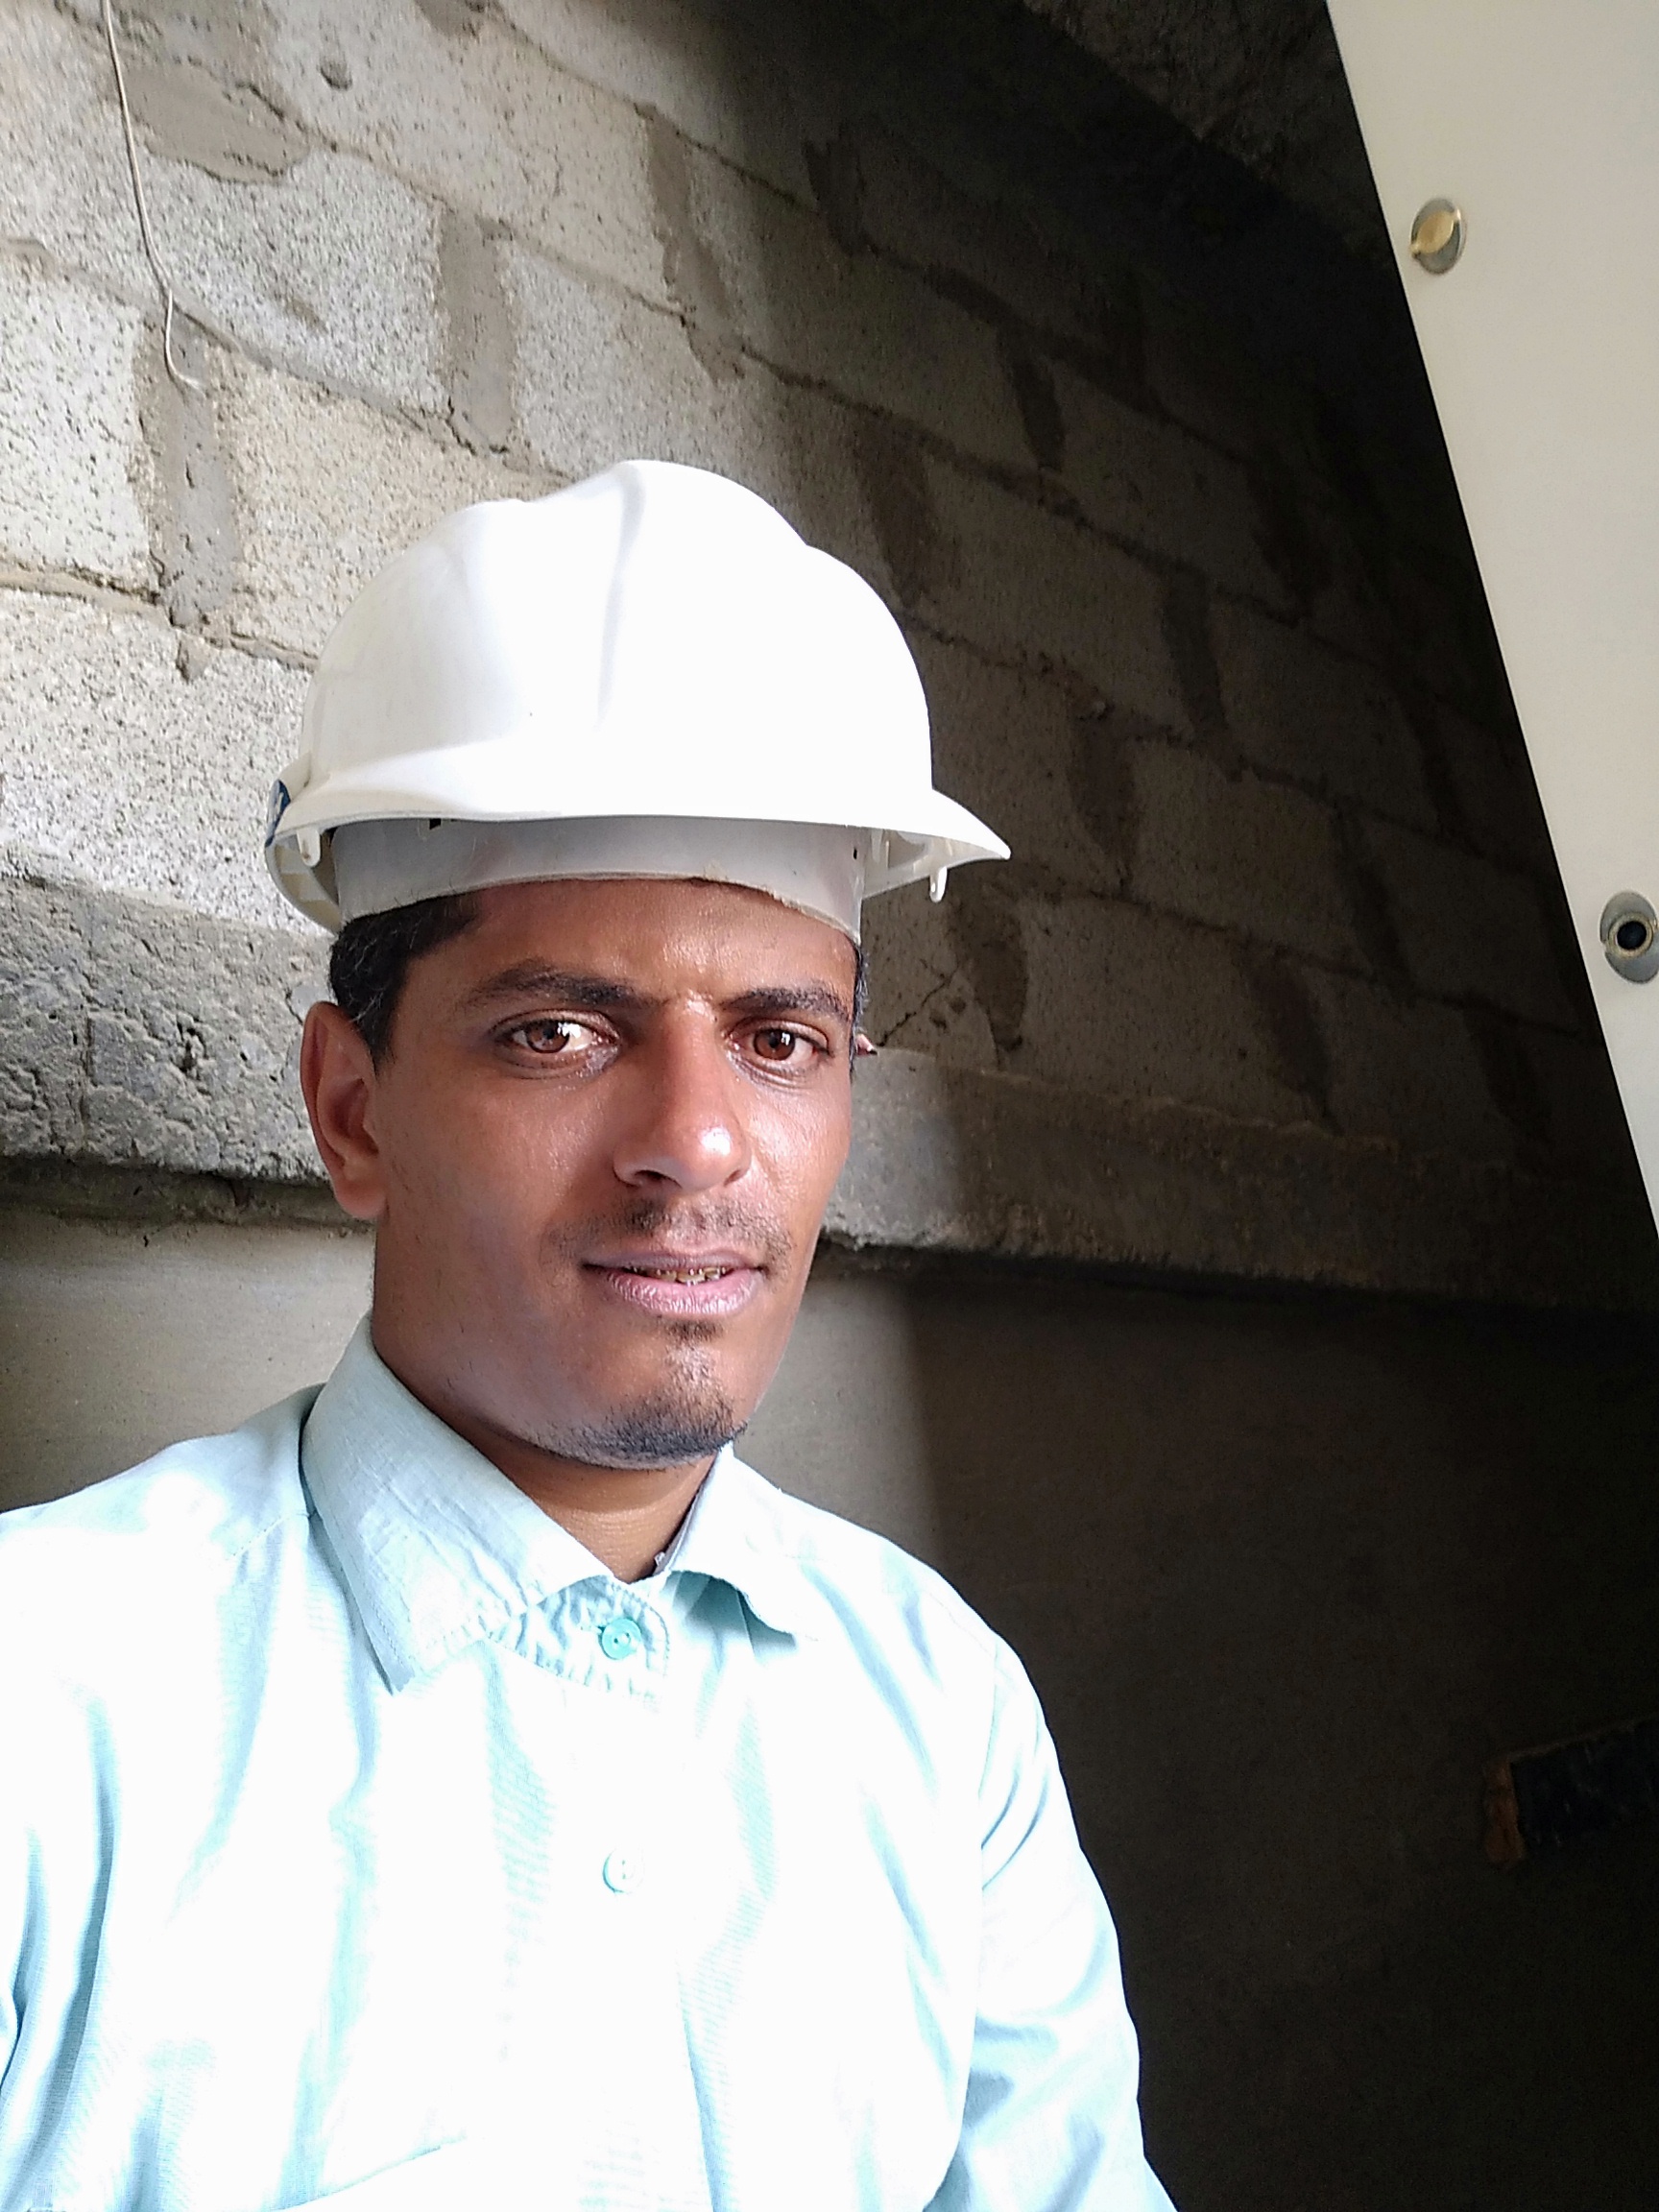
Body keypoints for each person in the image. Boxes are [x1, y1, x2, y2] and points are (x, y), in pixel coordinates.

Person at [0, 462, 1175, 2211]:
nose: (697, 1144)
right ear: (352, 1111)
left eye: (780, 1041)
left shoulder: (943, 1711)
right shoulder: (47, 1713)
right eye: (558, 1031)